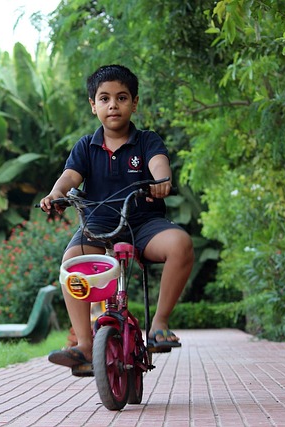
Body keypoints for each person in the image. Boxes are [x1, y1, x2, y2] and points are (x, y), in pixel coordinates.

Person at [39, 64, 194, 372]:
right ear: (93, 105)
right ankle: (83, 345)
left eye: (122, 98)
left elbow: (159, 164)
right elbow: (69, 176)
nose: (113, 105)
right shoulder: (86, 146)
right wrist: (56, 194)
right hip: (98, 225)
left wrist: (161, 180)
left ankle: (159, 324)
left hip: (144, 225)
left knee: (181, 244)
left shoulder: (147, 141)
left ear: (134, 103)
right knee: (72, 262)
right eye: (105, 98)